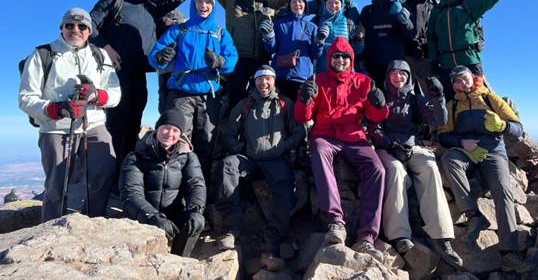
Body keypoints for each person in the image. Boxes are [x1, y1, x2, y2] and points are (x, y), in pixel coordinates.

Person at [89, 0, 190, 172]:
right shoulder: (113, 1)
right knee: (118, 122)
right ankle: (110, 172)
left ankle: (125, 169)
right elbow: (89, 25)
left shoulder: (151, 7)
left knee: (134, 120)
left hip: (140, 72)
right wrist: (107, 48)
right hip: (115, 72)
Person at [19, 8, 120, 222]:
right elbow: (26, 98)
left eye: (82, 26)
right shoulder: (42, 54)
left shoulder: (99, 55)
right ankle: (49, 229)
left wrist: (96, 96)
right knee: (56, 185)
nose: (76, 29)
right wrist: (55, 109)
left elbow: (115, 94)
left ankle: (95, 222)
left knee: (102, 176)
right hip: (56, 128)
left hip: (93, 125)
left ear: (89, 31)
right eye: (70, 25)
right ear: (62, 28)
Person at [200, 0, 315, 115]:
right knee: (235, 99)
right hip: (238, 58)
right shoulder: (231, 0)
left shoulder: (269, 3)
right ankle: (231, 136)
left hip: (262, 59)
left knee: (263, 98)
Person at [294, 37, 388, 262]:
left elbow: (376, 116)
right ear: (330, 59)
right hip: (325, 134)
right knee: (317, 150)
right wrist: (305, 99)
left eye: (345, 57)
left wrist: (380, 104)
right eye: (336, 56)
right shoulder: (317, 79)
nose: (341, 60)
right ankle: (336, 222)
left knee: (378, 169)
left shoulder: (364, 82)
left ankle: (366, 236)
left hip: (354, 135)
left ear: (351, 59)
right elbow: (302, 117)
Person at [438, 66, 533, 274]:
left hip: (493, 154)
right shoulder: (453, 106)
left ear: (472, 78)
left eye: (465, 79)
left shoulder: (491, 99)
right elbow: (443, 135)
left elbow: (518, 128)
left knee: (503, 190)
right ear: (453, 86)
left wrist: (502, 126)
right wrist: (461, 142)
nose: (463, 84)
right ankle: (474, 215)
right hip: (468, 153)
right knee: (449, 159)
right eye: (457, 82)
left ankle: (509, 252)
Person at [368, 61, 462, 266]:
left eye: (403, 74)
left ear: (409, 77)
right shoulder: (381, 97)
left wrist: (438, 97)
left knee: (430, 167)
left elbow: (438, 120)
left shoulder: (415, 99)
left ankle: (441, 236)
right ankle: (399, 235)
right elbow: (374, 128)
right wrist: (390, 145)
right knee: (395, 171)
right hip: (389, 148)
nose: (398, 77)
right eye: (393, 73)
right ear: (387, 76)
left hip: (413, 147)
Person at [214, 65, 305, 271]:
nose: (264, 83)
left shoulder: (285, 104)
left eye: (268, 79)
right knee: (228, 165)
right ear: (254, 82)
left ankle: (270, 245)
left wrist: (283, 147)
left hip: (276, 159)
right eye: (259, 79)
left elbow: (299, 133)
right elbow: (229, 134)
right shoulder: (244, 105)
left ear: (274, 82)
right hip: (249, 158)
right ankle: (230, 230)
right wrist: (241, 148)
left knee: (285, 192)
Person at [148, 0, 238, 186]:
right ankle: (176, 191)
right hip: (181, 93)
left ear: (213, 6)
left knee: (206, 144)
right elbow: (155, 56)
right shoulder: (179, 29)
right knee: (179, 142)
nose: (203, 5)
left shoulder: (219, 33)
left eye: (208, 2)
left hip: (209, 94)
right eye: (199, 1)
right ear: (193, 4)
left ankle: (200, 191)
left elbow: (232, 59)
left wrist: (219, 62)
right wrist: (161, 57)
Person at [119, 108, 206, 257]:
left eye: (175, 130)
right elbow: (131, 194)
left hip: (175, 215)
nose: (169, 134)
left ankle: (179, 260)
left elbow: (196, 185)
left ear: (180, 135)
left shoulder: (188, 157)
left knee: (196, 219)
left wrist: (195, 209)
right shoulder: (136, 156)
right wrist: (153, 217)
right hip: (144, 217)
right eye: (166, 128)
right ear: (157, 128)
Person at [427, 0, 506, 100]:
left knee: (478, 99)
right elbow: (431, 37)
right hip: (446, 64)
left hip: (470, 60)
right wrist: (434, 59)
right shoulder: (437, 11)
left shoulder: (469, 4)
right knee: (451, 102)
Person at [260, 0, 322, 102]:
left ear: (305, 5)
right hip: (280, 75)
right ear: (289, 5)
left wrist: (319, 42)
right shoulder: (279, 23)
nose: (297, 4)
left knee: (298, 113)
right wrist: (269, 36)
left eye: (300, 1)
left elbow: (315, 54)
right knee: (278, 112)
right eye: (293, 1)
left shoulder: (312, 27)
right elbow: (270, 49)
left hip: (301, 77)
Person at [359, 0, 414, 88]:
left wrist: (401, 16)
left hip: (395, 65)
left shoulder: (399, 7)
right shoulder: (367, 11)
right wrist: (361, 63)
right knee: (376, 102)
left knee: (396, 102)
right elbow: (360, 37)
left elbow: (409, 34)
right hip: (373, 64)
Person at [313, 0, 364, 73]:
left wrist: (359, 41)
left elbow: (357, 51)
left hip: (344, 73)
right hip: (323, 73)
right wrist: (319, 41)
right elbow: (311, 51)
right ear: (324, 4)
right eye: (330, 2)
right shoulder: (316, 22)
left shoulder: (349, 23)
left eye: (337, 2)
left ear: (342, 4)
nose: (333, 5)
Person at [401, 0, 435, 97]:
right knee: (407, 91)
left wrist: (424, 47)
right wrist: (410, 46)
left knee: (431, 90)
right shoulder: (404, 7)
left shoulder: (433, 8)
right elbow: (401, 31)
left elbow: (434, 31)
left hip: (426, 56)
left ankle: (434, 115)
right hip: (408, 56)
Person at [155, 8, 186, 114]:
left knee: (174, 100)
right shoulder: (157, 17)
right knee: (164, 99)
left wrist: (175, 23)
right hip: (164, 69)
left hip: (177, 70)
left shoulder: (181, 19)